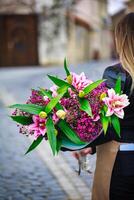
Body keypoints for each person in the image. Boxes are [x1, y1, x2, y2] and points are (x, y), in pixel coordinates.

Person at [73, 12, 134, 200]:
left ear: (122, 38)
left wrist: (85, 144)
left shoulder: (116, 73)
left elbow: (106, 122)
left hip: (123, 160)